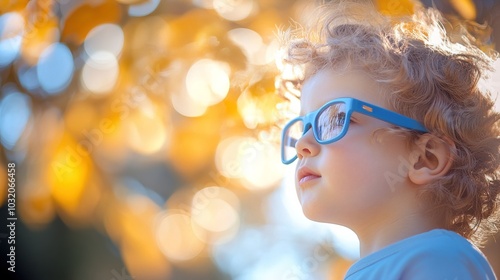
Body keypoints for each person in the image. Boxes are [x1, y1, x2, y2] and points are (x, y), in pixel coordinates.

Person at [277, 0, 500, 279]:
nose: (302, 144)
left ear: (424, 158)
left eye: (334, 119)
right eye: (303, 126)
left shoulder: (438, 258)